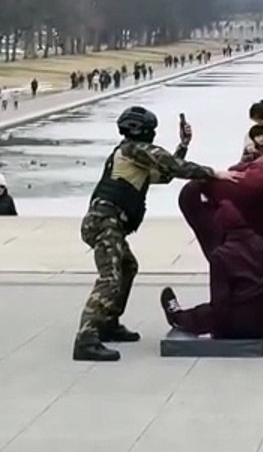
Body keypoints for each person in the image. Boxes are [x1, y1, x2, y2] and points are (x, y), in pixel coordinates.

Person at [73, 106, 242, 362]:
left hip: (107, 222)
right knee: (111, 277)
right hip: (105, 221)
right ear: (143, 130)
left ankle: (108, 322)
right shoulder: (133, 150)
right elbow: (170, 164)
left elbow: (164, 174)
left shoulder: (131, 157)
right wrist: (213, 172)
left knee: (127, 267)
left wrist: (183, 145)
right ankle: (86, 339)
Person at [161, 201, 263, 338]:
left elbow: (220, 304)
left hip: (241, 324)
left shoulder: (220, 256)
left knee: (208, 312)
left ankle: (178, 317)